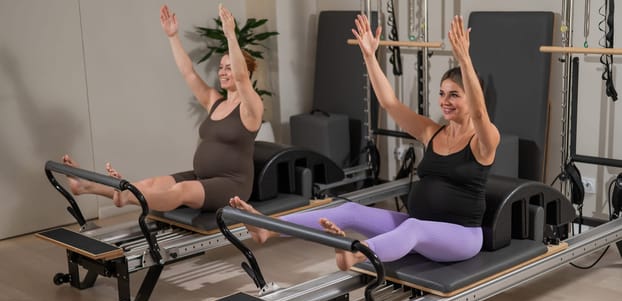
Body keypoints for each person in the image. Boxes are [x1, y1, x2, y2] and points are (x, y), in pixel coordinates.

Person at [229, 14, 500, 271]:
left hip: (462, 237)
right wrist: (370, 56)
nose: (445, 101)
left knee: (413, 230)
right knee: (350, 211)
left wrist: (464, 59)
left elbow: (479, 114)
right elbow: (389, 103)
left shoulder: (484, 140)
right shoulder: (432, 132)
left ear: (473, 98)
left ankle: (356, 255)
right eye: (442, 93)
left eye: (455, 95)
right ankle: (267, 227)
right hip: (421, 224)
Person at [62, 4, 263, 212]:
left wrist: (230, 35)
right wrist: (172, 36)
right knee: (151, 183)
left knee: (181, 190)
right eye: (221, 67)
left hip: (231, 184)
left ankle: (127, 199)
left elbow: (240, 79)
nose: (222, 72)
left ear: (246, 72)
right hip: (202, 177)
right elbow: (189, 73)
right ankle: (86, 186)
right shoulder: (215, 101)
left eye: (229, 68)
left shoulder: (251, 107)